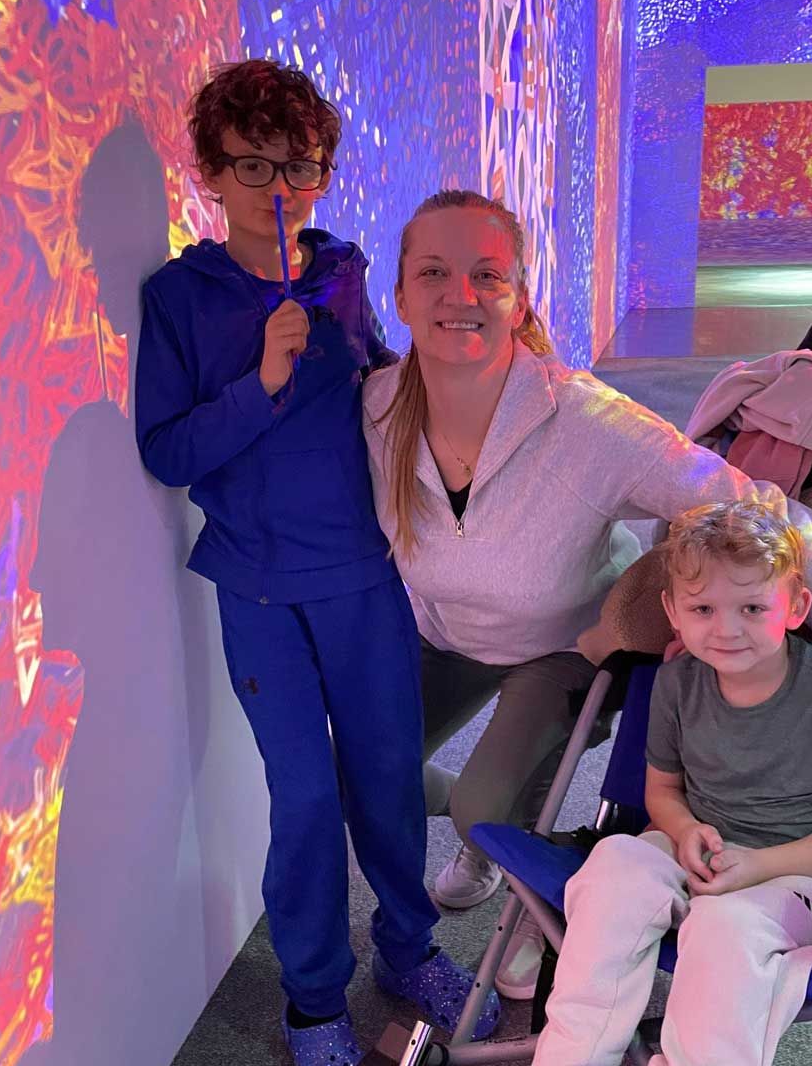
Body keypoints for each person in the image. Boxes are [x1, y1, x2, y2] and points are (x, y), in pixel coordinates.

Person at [361, 189, 812, 1000]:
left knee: (484, 810)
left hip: (559, 649)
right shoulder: (377, 410)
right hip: (442, 636)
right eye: (432, 271)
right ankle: (489, 808)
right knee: (355, 771)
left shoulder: (584, 421)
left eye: (487, 275)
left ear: (520, 296)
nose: (459, 296)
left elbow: (767, 513)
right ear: (399, 295)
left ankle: (516, 867)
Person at [135, 63, 497, 1065]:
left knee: (386, 776)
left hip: (367, 576)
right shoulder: (180, 296)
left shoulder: (339, 267)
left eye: (298, 164)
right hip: (258, 591)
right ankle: (312, 1000)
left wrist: (426, 368)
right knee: (303, 801)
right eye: (252, 163)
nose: (277, 187)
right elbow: (166, 450)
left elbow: (380, 393)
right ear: (210, 169)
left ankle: (411, 945)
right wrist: (263, 379)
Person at [532, 500, 812, 1066]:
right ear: (673, 612)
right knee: (612, 870)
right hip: (699, 847)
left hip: (804, 877)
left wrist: (756, 867)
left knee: (724, 925)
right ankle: (573, 1054)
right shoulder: (676, 683)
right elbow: (662, 793)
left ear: (796, 606)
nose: (726, 630)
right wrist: (685, 828)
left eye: (752, 606)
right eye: (702, 608)